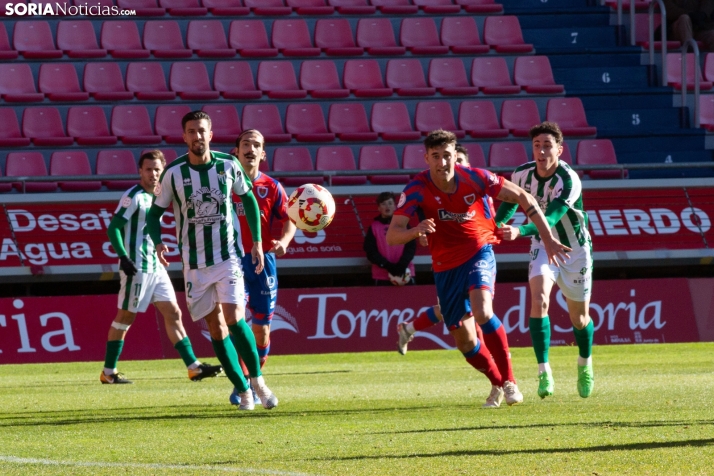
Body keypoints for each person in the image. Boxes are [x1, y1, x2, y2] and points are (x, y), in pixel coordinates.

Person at [388, 130, 570, 408]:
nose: (442, 162)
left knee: (484, 310)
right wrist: (415, 230)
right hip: (445, 266)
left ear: (454, 156)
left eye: (447, 155)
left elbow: (524, 197)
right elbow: (393, 235)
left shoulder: (475, 177)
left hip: (478, 251)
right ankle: (497, 382)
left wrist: (548, 239)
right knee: (465, 342)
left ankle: (510, 382)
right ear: (426, 158)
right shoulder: (416, 188)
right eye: (435, 157)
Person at [146, 111, 277, 410]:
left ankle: (258, 381)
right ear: (184, 137)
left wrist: (255, 242)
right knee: (216, 329)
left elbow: (248, 199)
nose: (197, 137)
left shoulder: (228, 164)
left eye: (201, 131)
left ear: (211, 134)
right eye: (191, 132)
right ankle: (242, 389)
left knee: (234, 318)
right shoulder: (173, 174)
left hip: (228, 256)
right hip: (194, 264)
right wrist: (158, 243)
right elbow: (155, 214)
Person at [101, 150, 222, 385]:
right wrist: (124, 258)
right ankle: (108, 372)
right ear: (140, 171)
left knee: (174, 313)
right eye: (149, 169)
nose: (153, 174)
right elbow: (113, 228)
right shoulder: (134, 196)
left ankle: (193, 367)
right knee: (125, 317)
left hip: (155, 266)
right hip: (136, 267)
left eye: (157, 169)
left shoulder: (158, 196)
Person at [495, 121, 594, 399]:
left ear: (560, 150)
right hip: (542, 244)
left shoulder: (569, 180)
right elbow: (510, 203)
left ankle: (585, 364)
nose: (541, 151)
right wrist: (494, 225)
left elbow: (550, 219)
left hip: (573, 249)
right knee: (538, 300)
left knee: (580, 318)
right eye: (537, 145)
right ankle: (544, 371)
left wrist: (519, 230)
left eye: (547, 145)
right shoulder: (521, 174)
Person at [225, 130, 296, 405]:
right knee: (236, 322)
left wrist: (285, 241)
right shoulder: (225, 184)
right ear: (237, 150)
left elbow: (289, 218)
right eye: (246, 144)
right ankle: (243, 383)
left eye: (257, 145)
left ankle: (252, 381)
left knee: (262, 330)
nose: (251, 149)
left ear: (263, 154)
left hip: (262, 262)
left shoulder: (272, 187)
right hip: (231, 261)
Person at [398, 143, 484, 352]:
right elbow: (426, 212)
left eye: (460, 162)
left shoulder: (478, 189)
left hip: (477, 254)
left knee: (477, 309)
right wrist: (423, 232)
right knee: (457, 310)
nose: (453, 166)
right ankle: (408, 328)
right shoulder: (433, 190)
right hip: (448, 260)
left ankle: (408, 328)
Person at [363, 191, 416, 286]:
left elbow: (411, 248)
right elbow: (370, 251)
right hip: (381, 276)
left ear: (395, 206)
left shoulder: (404, 224)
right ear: (379, 208)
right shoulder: (374, 227)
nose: (387, 206)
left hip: (405, 273)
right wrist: (387, 266)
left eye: (390, 203)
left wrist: (402, 265)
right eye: (383, 204)